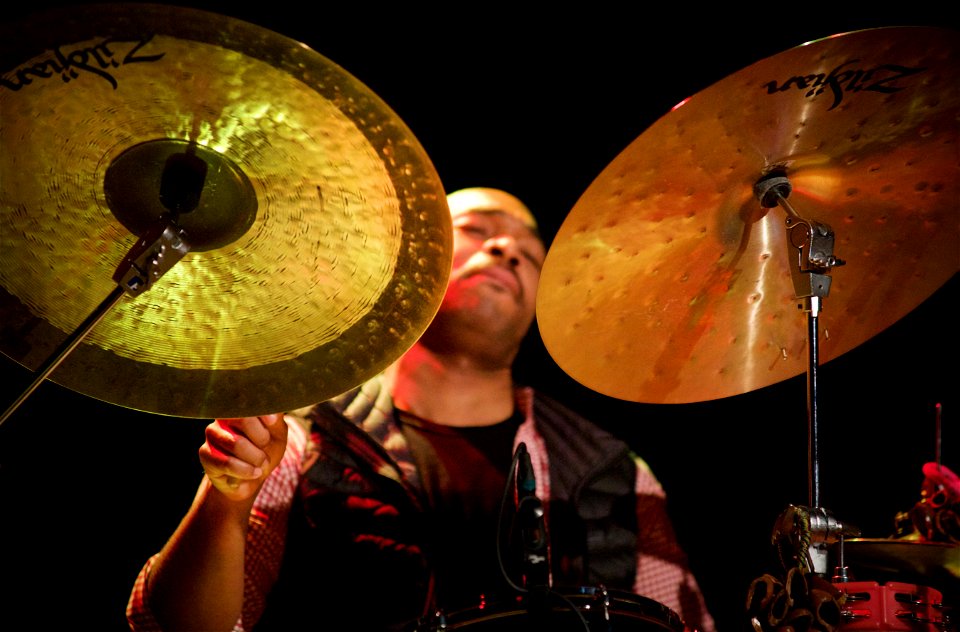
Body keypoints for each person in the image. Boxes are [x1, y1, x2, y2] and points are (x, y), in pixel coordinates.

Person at [126, 187, 717, 632]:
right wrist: (227, 500)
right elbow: (175, 626)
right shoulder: (301, 432)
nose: (505, 247)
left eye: (530, 254)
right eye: (476, 229)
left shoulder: (612, 469)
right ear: (416, 266)